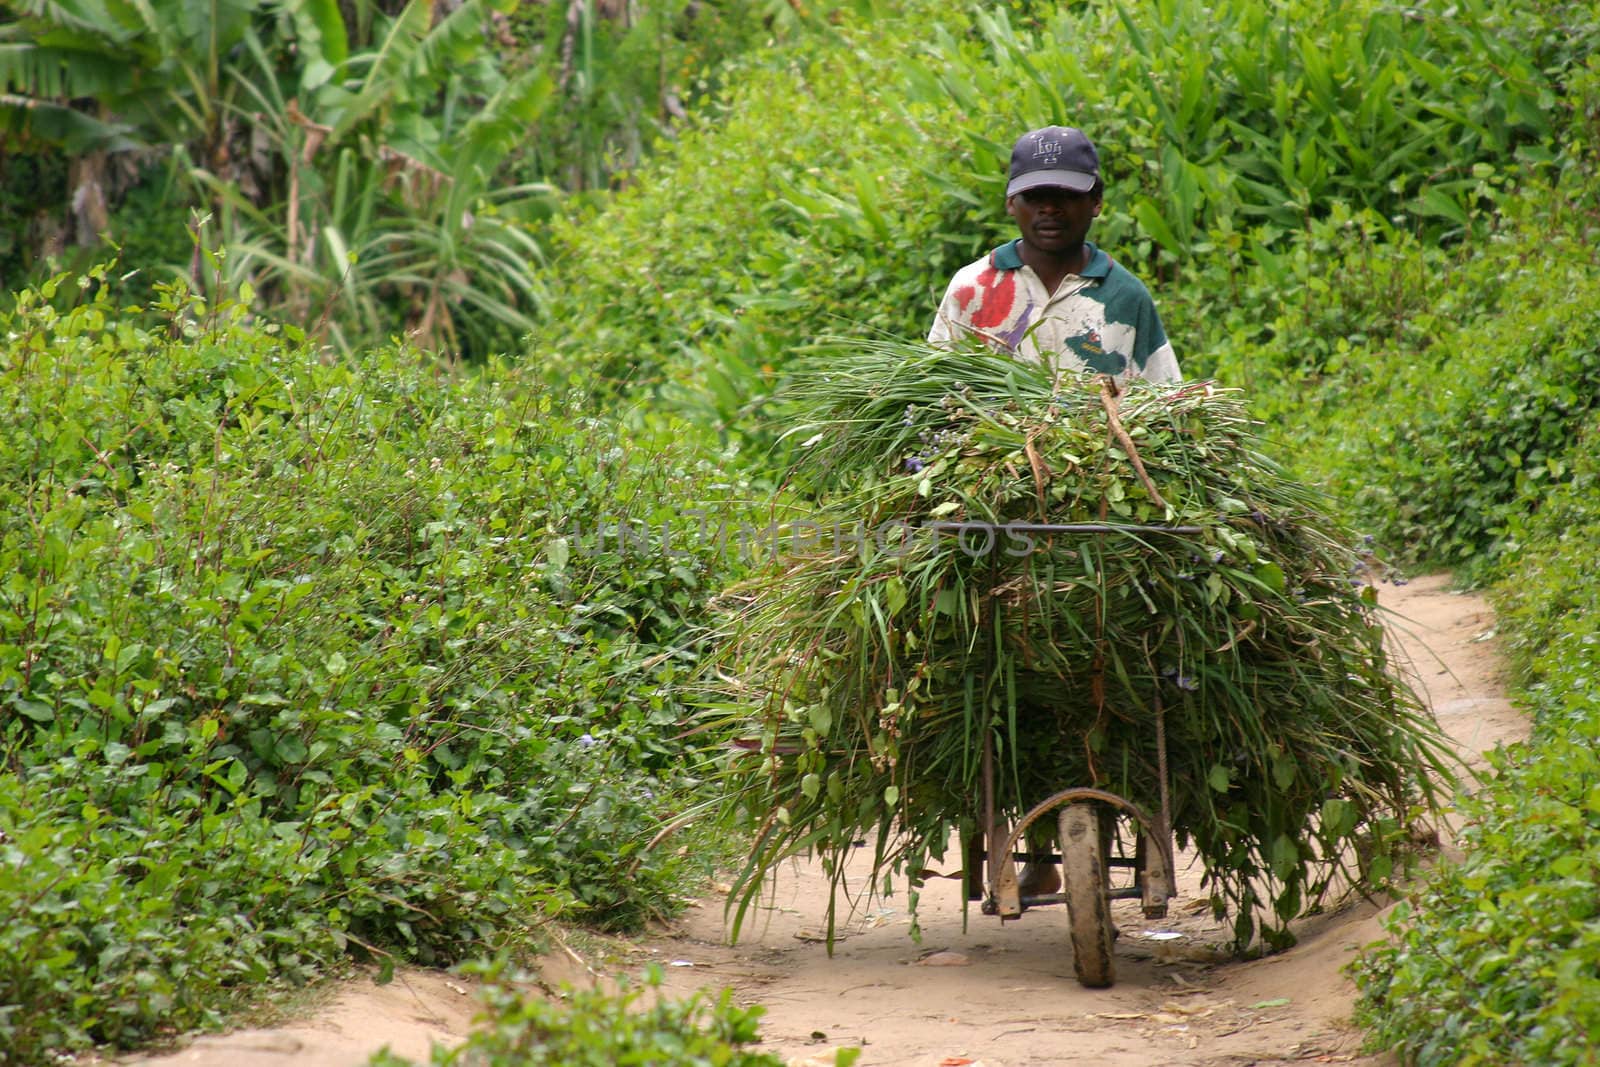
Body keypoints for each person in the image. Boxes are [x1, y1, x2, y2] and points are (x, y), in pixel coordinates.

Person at [928, 125, 1180, 386]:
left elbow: (1165, 397)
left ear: (1096, 201)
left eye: (1066, 195)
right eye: (1034, 196)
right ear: (1011, 202)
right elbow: (935, 393)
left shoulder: (1125, 297)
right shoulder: (972, 288)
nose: (1049, 209)